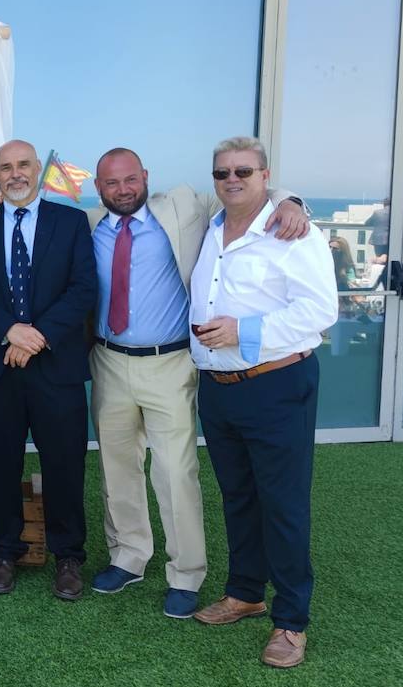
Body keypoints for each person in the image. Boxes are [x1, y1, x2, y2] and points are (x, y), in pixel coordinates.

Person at [79, 148, 309, 618]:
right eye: (110, 183)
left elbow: (244, 191)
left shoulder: (185, 205)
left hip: (170, 362)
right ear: (98, 188)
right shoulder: (88, 224)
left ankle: (185, 574)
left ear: (145, 176)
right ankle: (128, 556)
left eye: (129, 179)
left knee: (174, 471)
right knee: (117, 467)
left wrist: (292, 202)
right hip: (107, 360)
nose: (121, 189)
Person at [190, 136, 337, 669]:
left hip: (276, 384)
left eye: (243, 172)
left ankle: (292, 621)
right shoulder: (212, 227)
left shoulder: (293, 232)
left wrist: (242, 332)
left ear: (265, 175)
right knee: (239, 497)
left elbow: (320, 312)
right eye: (223, 173)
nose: (232, 180)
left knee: (284, 505)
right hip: (220, 389)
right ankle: (246, 592)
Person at [0, 140, 97, 600]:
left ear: (38, 169)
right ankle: (4, 552)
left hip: (56, 366)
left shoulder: (71, 222)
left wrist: (36, 336)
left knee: (63, 464)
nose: (15, 174)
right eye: (5, 168)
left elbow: (82, 289)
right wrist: (10, 331)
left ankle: (68, 557)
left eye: (23, 166)